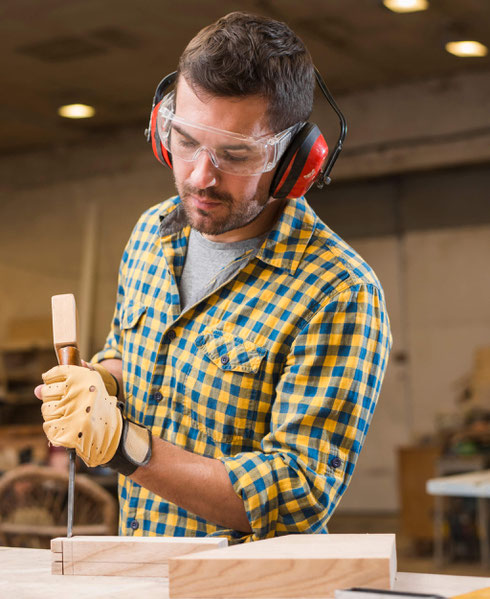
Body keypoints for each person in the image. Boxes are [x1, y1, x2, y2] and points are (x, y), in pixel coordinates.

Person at [36, 12, 392, 543]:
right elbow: (128, 352)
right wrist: (102, 384)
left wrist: (125, 447)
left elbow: (297, 494)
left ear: (295, 161)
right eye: (185, 141)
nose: (201, 176)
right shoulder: (151, 233)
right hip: (144, 571)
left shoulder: (338, 292)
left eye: (235, 155)